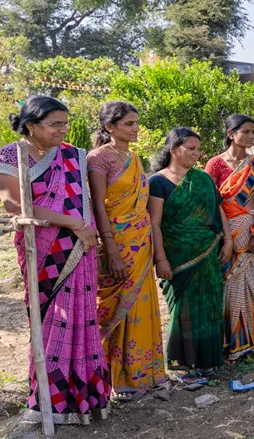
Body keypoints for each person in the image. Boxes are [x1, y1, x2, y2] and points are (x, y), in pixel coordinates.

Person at [0, 96, 111, 424]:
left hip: (80, 249)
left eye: (65, 123)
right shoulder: (10, 155)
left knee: (82, 317)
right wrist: (73, 223)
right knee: (49, 320)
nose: (63, 130)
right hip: (43, 250)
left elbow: (84, 201)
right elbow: (15, 205)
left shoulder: (72, 156)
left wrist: (83, 229)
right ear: (31, 126)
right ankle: (51, 401)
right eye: (55, 124)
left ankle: (85, 399)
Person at [87, 101, 167, 400]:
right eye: (128, 124)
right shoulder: (98, 158)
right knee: (115, 307)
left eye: (136, 123)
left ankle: (144, 373)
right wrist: (111, 248)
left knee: (142, 305)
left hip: (141, 242)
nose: (136, 128)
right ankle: (117, 378)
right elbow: (98, 205)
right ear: (110, 127)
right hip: (117, 245)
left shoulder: (134, 158)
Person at [148, 128, 231, 385]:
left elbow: (219, 211)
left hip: (208, 252)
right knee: (183, 309)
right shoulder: (157, 182)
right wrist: (160, 259)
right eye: (191, 149)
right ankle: (183, 366)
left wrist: (228, 240)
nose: (197, 154)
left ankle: (206, 361)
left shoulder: (203, 179)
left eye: (198, 149)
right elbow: (154, 223)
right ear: (174, 150)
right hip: (178, 255)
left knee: (209, 304)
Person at [205, 114, 254, 361]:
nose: (251, 136)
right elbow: (210, 202)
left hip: (252, 234)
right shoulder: (215, 164)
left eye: (253, 132)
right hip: (226, 236)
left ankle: (250, 341)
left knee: (253, 289)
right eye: (246, 131)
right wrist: (223, 237)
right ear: (231, 134)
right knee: (227, 289)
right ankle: (226, 344)